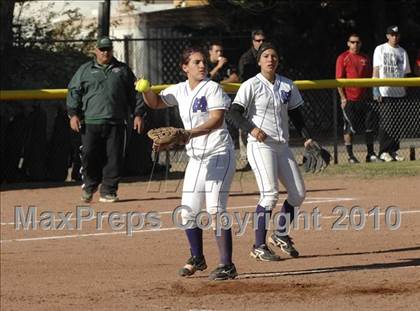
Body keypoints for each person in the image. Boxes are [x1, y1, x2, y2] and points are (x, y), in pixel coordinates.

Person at [139, 47, 237, 280]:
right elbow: (155, 102)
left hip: (219, 153)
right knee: (188, 212)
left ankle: (227, 265)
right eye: (196, 62)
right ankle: (197, 257)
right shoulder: (180, 90)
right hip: (197, 158)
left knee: (215, 209)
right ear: (185, 68)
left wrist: (186, 134)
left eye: (203, 62)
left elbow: (217, 120)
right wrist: (145, 89)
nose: (202, 66)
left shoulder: (212, 88)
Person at [229, 42, 313, 261]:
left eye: (274, 56)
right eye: (266, 56)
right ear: (259, 61)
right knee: (270, 194)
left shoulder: (287, 85)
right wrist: (252, 129)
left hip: (282, 145)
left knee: (298, 194)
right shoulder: (251, 85)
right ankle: (258, 245)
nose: (270, 59)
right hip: (260, 145)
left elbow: (296, 115)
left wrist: (307, 138)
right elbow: (234, 113)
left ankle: (281, 233)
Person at [66, 36, 144, 203]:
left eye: (108, 49)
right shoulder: (85, 70)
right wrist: (73, 114)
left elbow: (135, 93)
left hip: (116, 122)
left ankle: (108, 190)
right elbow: (74, 92)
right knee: (88, 154)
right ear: (96, 50)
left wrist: (138, 114)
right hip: (90, 121)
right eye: (102, 49)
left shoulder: (122, 70)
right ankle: (89, 184)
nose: (105, 52)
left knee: (114, 157)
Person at [336, 33, 380, 163]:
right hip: (349, 99)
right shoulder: (343, 58)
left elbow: (370, 78)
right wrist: (343, 98)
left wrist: (374, 94)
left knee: (369, 126)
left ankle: (370, 154)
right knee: (349, 128)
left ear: (360, 44)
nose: (355, 44)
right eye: (352, 42)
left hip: (364, 99)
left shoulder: (365, 58)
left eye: (357, 42)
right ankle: (350, 156)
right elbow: (339, 80)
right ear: (348, 43)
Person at [373, 25, 411, 162]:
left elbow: (405, 73)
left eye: (397, 35)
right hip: (385, 91)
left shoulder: (402, 52)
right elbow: (376, 69)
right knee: (386, 122)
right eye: (392, 35)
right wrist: (375, 88)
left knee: (396, 123)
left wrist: (405, 90)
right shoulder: (380, 49)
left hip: (399, 92)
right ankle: (383, 151)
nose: (395, 37)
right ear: (387, 36)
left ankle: (394, 150)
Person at [236, 30, 266, 170]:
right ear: (253, 41)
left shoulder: (268, 55)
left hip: (265, 96)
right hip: (250, 96)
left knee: (265, 124)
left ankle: (262, 157)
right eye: (258, 40)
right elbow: (243, 78)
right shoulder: (247, 58)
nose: (260, 43)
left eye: (262, 40)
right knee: (245, 127)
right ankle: (247, 159)